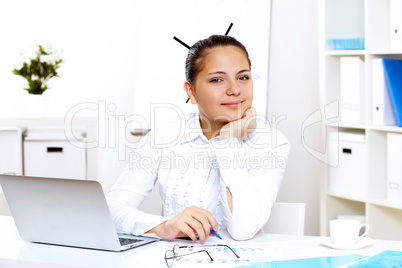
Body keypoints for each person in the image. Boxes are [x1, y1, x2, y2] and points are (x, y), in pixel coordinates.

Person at [106, 34, 290, 243]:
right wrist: (164, 227)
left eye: (243, 77)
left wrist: (228, 141)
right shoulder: (167, 132)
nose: (235, 90)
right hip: (171, 260)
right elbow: (111, 208)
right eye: (217, 80)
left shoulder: (271, 142)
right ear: (191, 91)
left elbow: (243, 229)